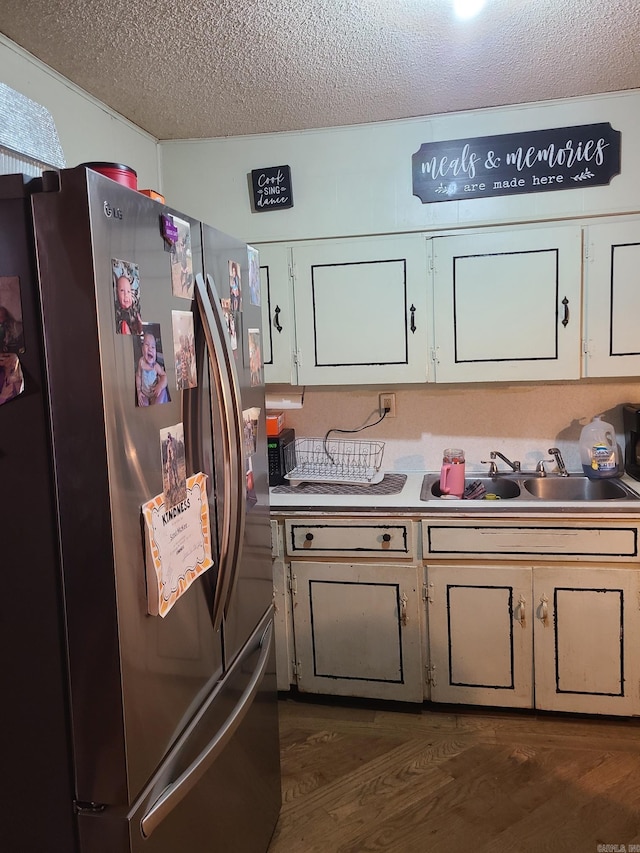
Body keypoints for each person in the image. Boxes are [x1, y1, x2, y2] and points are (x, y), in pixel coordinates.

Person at [136, 332, 169, 406]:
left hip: (155, 392)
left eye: (153, 347)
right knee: (142, 404)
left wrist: (160, 386)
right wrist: (138, 391)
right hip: (144, 393)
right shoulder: (141, 362)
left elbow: (164, 376)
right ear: (142, 349)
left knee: (158, 402)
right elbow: (138, 375)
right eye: (147, 345)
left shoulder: (156, 366)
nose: (150, 348)